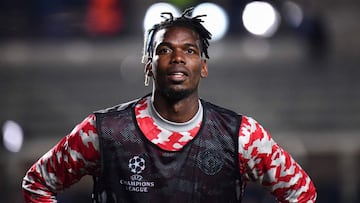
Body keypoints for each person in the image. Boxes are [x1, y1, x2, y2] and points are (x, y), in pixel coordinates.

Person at [22, 7, 317, 203]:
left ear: (203, 66)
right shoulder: (103, 131)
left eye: (189, 50)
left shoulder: (242, 135)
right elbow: (37, 183)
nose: (177, 57)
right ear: (149, 66)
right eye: (165, 50)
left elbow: (303, 194)